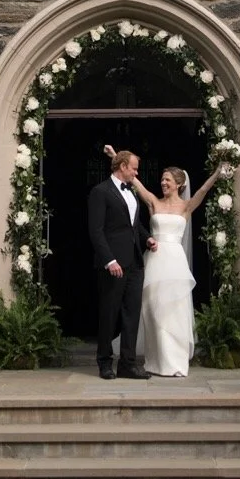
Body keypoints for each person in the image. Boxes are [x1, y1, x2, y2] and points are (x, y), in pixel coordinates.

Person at [104, 149, 230, 377]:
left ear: (179, 184)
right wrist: (114, 156)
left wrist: (217, 173)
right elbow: (134, 180)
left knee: (174, 311)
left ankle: (175, 362)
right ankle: (155, 361)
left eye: (168, 180)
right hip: (154, 261)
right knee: (153, 311)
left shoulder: (186, 206)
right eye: (162, 180)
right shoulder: (153, 202)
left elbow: (203, 190)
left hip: (175, 264)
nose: (163, 183)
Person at [87, 149, 157, 380]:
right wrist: (109, 260)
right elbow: (96, 231)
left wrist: (146, 237)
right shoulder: (100, 192)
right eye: (134, 168)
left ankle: (128, 364)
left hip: (135, 262)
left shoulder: (132, 192)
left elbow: (133, 225)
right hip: (113, 264)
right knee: (109, 313)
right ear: (123, 166)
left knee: (131, 314)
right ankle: (104, 362)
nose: (137, 172)